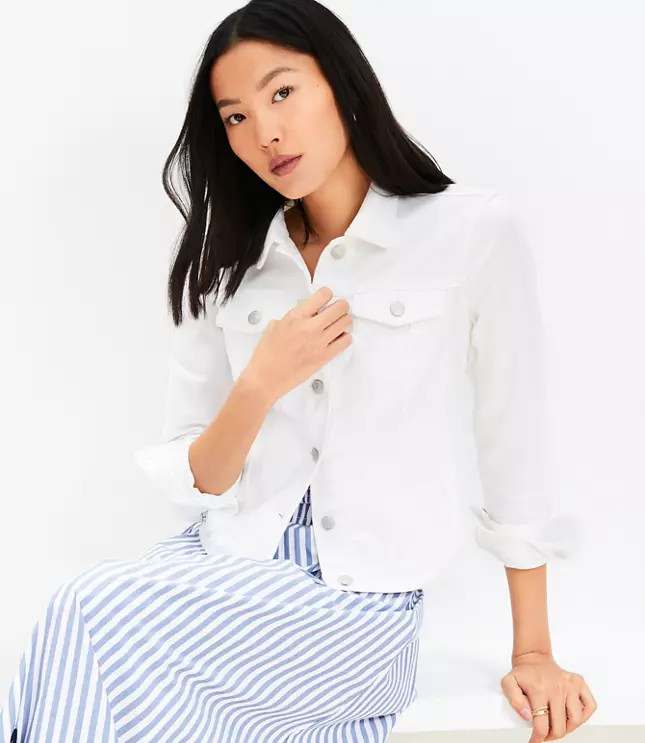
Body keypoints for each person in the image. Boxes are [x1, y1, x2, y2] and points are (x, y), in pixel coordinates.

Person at [1, 0, 596, 741]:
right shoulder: (227, 262)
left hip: (359, 604)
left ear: (342, 84)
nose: (265, 133)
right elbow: (202, 477)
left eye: (281, 92)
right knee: (80, 617)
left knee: (93, 611)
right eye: (235, 117)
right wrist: (260, 383)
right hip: (224, 561)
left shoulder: (471, 232)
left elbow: (514, 445)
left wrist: (533, 651)